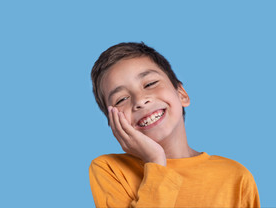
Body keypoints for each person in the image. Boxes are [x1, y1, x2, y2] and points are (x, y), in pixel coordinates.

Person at [89, 42, 260, 208]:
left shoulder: (236, 177)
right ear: (113, 124)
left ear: (182, 95)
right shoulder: (110, 170)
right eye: (121, 99)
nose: (140, 100)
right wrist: (155, 161)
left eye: (150, 84)